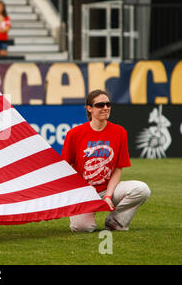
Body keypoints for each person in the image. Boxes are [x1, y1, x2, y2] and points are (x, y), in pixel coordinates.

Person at [61, 89, 151, 232]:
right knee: (82, 228)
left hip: (108, 189)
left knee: (141, 189)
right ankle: (86, 216)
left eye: (108, 104)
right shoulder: (74, 134)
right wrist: (79, 194)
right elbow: (66, 167)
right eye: (100, 105)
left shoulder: (119, 132)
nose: (105, 108)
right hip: (83, 191)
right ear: (89, 108)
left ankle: (115, 222)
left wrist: (108, 195)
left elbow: (118, 168)